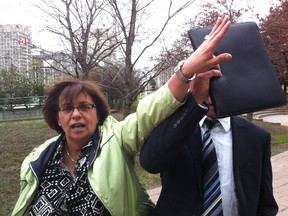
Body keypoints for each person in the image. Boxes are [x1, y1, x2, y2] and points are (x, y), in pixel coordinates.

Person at [12, 16, 232, 216]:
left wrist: (184, 73)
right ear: (57, 117)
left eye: (85, 107)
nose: (76, 114)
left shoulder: (116, 139)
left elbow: (148, 112)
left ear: (98, 114)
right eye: (67, 108)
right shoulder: (36, 159)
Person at [140, 69, 279, 215]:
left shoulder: (257, 137)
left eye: (219, 86)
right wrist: (193, 101)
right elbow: (150, 163)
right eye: (207, 86)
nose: (212, 97)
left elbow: (266, 203)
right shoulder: (175, 128)